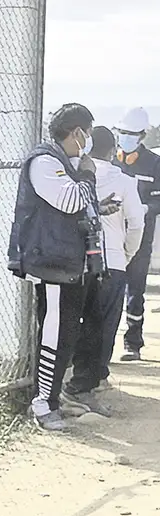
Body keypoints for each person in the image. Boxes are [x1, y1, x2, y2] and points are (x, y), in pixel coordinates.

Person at [8, 103, 103, 431]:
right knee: (53, 333)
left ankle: (53, 396)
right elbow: (71, 200)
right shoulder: (45, 162)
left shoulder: (62, 161)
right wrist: (88, 174)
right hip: (52, 263)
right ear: (77, 132)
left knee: (65, 333)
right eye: (86, 134)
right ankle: (42, 403)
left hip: (66, 263)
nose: (87, 140)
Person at [62, 126, 144, 413]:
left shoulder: (73, 174)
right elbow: (136, 224)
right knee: (104, 325)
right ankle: (86, 384)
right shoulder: (124, 181)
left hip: (76, 260)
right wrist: (127, 254)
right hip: (111, 262)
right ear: (112, 151)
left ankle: (70, 378)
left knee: (73, 320)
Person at [113, 107, 160, 361]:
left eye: (131, 134)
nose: (126, 137)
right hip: (112, 236)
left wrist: (145, 208)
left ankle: (133, 344)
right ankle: (103, 346)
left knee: (135, 291)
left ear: (142, 136)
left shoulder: (154, 163)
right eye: (122, 132)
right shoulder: (111, 160)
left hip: (140, 237)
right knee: (109, 291)